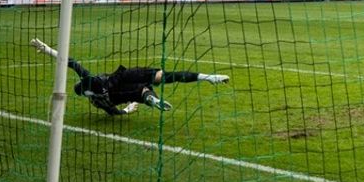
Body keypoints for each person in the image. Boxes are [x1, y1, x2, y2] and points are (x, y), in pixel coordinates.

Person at [29, 38, 229, 115]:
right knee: (164, 76)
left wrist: (127, 110)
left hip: (116, 96)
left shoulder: (96, 102)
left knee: (140, 93)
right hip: (120, 77)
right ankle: (207, 77)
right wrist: (47, 50)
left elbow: (113, 112)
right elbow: (72, 63)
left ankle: (150, 99)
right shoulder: (91, 80)